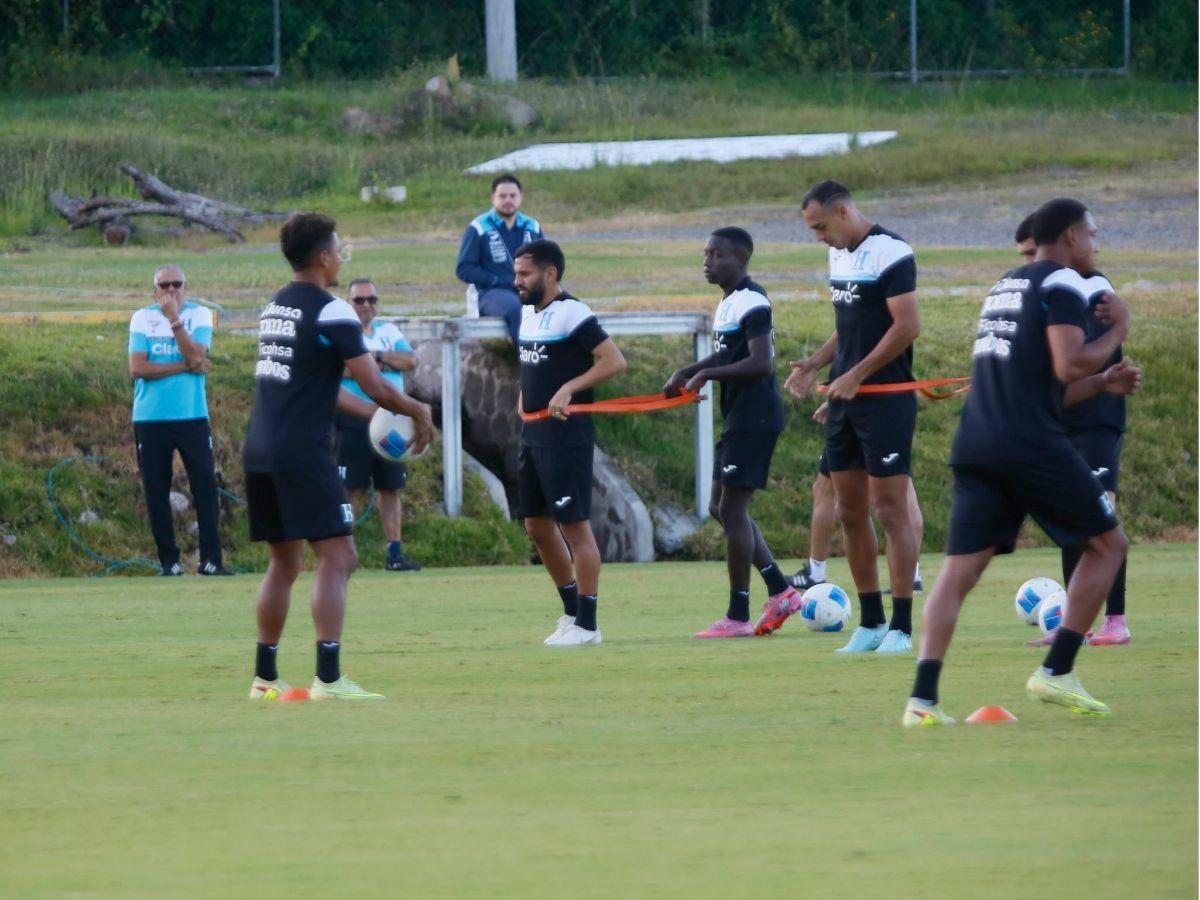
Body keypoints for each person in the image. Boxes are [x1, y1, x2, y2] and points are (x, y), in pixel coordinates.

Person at [903, 198, 1141, 727]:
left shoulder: (1004, 286)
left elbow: (1043, 382)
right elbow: (1067, 361)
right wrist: (1118, 330)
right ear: (1073, 236)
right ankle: (1056, 671)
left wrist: (1102, 383)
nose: (1097, 244)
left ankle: (921, 702)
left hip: (976, 441)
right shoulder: (1064, 281)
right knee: (1109, 545)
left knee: (957, 574)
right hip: (1028, 443)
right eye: (1093, 234)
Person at [244, 213, 434, 701]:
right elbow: (373, 381)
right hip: (302, 452)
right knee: (339, 555)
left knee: (283, 562)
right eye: (338, 250)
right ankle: (328, 679)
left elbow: (321, 390)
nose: (341, 257)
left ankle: (264, 679)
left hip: (261, 446)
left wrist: (377, 414)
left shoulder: (276, 307)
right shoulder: (334, 311)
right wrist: (417, 410)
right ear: (325, 257)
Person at [785, 180, 922, 654]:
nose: (819, 236)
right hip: (847, 400)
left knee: (890, 510)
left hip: (885, 401)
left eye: (821, 226)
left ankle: (902, 628)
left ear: (844, 212)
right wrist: (816, 365)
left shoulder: (891, 251)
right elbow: (850, 329)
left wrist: (858, 376)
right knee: (848, 512)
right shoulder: (838, 254)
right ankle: (870, 624)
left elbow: (907, 327)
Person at [664, 227, 802, 638]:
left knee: (733, 510)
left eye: (716, 255)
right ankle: (781, 590)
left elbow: (762, 364)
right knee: (719, 507)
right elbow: (729, 353)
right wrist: (688, 370)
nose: (707, 262)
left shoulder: (753, 300)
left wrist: (705, 373)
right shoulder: (728, 303)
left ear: (740, 259)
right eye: (706, 254)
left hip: (756, 417)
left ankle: (738, 616)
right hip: (740, 416)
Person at [1013, 218, 1132, 648]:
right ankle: (1075, 628)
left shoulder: (1091, 287)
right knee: (1071, 518)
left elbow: (1084, 359)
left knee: (1100, 516)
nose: (1030, 263)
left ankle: (1115, 622)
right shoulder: (1043, 292)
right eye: (1024, 256)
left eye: (1032, 253)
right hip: (1061, 419)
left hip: (1096, 417)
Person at [514, 239, 626, 646]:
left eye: (524, 274)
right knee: (537, 525)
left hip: (566, 436)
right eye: (516, 274)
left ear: (550, 274)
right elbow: (533, 363)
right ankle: (572, 613)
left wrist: (569, 389)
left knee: (574, 526)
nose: (517, 281)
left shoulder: (573, 312)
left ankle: (589, 624)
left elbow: (614, 360)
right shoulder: (528, 314)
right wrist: (524, 396)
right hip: (534, 433)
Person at [128, 265, 230, 577]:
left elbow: (197, 354)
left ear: (186, 286)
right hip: (150, 417)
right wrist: (185, 366)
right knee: (156, 490)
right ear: (154, 290)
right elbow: (138, 368)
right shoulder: (141, 318)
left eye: (177, 284)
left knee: (205, 487)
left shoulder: (199, 315)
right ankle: (169, 562)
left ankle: (211, 560)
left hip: (191, 415)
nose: (171, 290)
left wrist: (174, 320)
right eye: (164, 285)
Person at [790, 402, 925, 595]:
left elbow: (868, 371)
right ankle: (912, 577)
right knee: (899, 489)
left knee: (895, 494)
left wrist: (841, 393)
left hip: (866, 408)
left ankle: (816, 572)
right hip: (865, 407)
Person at [335, 278, 421, 572]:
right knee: (351, 488)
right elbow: (340, 369)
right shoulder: (343, 331)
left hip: (392, 422)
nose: (366, 306)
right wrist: (378, 365)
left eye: (371, 299)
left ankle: (394, 553)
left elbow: (410, 360)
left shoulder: (388, 331)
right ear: (348, 303)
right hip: (354, 420)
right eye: (359, 300)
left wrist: (376, 358)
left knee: (391, 487)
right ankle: (342, 552)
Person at [456, 174, 544, 343]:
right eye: (502, 196)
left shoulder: (532, 226)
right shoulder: (479, 227)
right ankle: (531, 364)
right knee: (519, 310)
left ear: (521, 197)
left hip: (530, 290)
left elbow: (546, 263)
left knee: (564, 307)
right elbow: (464, 268)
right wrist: (496, 280)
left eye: (513, 195)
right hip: (492, 293)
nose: (508, 200)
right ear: (492, 198)